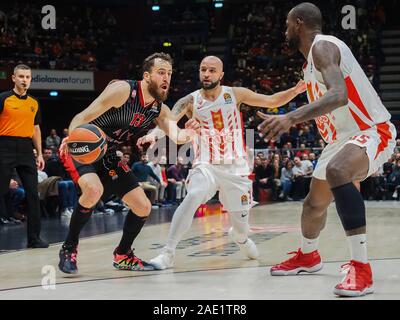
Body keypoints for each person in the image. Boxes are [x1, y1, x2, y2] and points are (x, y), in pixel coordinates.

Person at [257, 3, 396, 297]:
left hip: (371, 130)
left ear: (298, 23)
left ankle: (362, 268)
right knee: (312, 205)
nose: (284, 31)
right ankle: (309, 256)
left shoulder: (323, 47)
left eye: (286, 25)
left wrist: (290, 117)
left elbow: (339, 95)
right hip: (340, 140)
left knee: (338, 170)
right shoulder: (309, 63)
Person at [140, 55, 306, 269]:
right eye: (203, 70)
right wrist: (154, 133)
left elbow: (271, 100)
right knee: (193, 196)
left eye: (211, 70)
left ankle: (241, 238)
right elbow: (169, 119)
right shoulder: (191, 100)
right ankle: (167, 253)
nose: (206, 74)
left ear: (221, 74)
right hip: (206, 164)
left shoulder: (235, 94)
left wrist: (294, 91)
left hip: (235, 168)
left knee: (241, 228)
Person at [58, 52, 200, 274]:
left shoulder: (159, 110)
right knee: (94, 190)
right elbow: (84, 115)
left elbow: (177, 136)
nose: (166, 78)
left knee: (143, 206)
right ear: (146, 76)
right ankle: (69, 248)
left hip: (109, 153)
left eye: (170, 74)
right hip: (83, 146)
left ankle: (123, 255)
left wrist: (192, 132)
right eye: (161, 73)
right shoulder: (124, 90)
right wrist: (73, 136)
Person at [0, 64, 48, 248]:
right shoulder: (3, 99)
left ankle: (34, 238)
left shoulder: (34, 103)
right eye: (21, 76)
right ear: (13, 78)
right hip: (4, 145)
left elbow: (36, 129)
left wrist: (40, 153)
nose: (24, 80)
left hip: (26, 148)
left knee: (32, 194)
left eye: (27, 77)